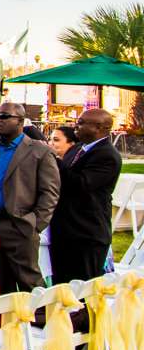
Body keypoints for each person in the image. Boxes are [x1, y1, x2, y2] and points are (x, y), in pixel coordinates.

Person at [0, 100, 61, 291]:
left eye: (4, 117)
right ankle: (7, 321)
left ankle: (46, 318)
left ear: (20, 121)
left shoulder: (40, 150)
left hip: (20, 225)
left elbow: (50, 192)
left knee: (30, 282)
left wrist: (35, 223)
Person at [49, 107, 123, 286]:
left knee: (84, 288)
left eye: (81, 123)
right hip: (64, 228)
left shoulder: (107, 155)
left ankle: (85, 315)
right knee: (63, 287)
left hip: (86, 231)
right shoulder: (78, 149)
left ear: (99, 128)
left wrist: (55, 161)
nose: (76, 125)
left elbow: (81, 184)